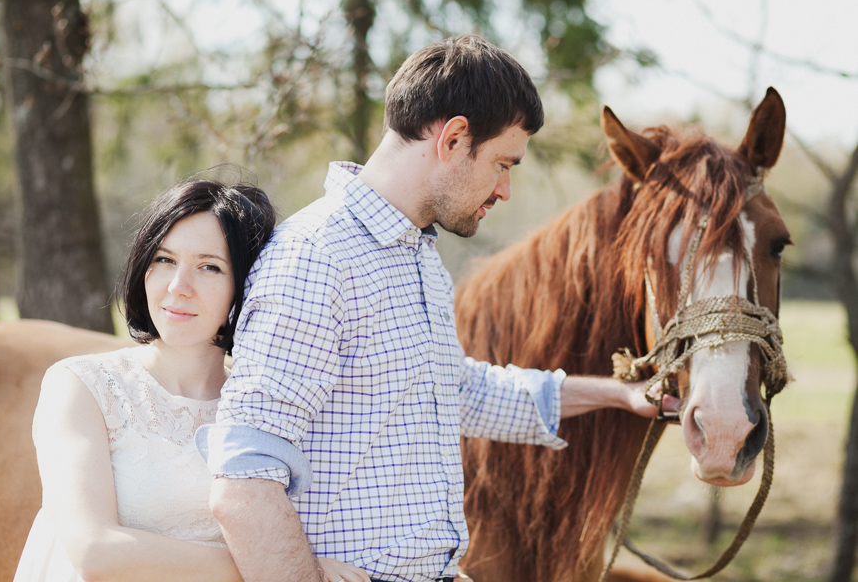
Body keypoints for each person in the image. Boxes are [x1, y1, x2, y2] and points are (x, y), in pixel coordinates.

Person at [197, 36, 677, 582]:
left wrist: (619, 395)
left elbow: (456, 390)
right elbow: (244, 479)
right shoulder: (317, 257)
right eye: (502, 163)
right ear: (453, 138)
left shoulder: (416, 258)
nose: (506, 189)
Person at [13, 171, 368, 582]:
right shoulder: (81, 386)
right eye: (164, 260)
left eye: (210, 267)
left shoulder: (267, 401)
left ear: (248, 285)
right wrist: (280, 568)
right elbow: (95, 553)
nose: (178, 286)